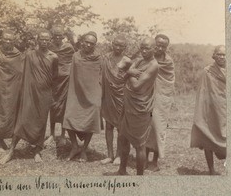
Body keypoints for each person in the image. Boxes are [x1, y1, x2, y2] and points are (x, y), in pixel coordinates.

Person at [0, 30, 58, 164]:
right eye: (41, 39)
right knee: (22, 120)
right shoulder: (30, 55)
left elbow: (55, 78)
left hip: (44, 95)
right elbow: (20, 71)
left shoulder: (54, 57)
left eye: (47, 39)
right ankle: (11, 151)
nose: (44, 41)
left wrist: (53, 96)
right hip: (30, 93)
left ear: (50, 40)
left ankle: (37, 151)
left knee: (41, 122)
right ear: (38, 40)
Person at [116, 38, 159, 175]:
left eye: (147, 48)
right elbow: (122, 78)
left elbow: (136, 85)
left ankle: (139, 176)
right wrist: (129, 72)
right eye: (142, 48)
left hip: (140, 107)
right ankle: (122, 170)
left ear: (155, 49)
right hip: (128, 105)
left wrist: (128, 71)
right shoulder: (139, 61)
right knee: (123, 138)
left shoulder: (153, 65)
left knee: (139, 145)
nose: (144, 51)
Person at [63, 31, 102, 162]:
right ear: (82, 42)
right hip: (76, 93)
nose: (89, 45)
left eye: (92, 44)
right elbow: (72, 75)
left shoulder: (98, 58)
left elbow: (102, 75)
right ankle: (74, 146)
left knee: (93, 114)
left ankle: (84, 150)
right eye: (87, 42)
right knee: (68, 116)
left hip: (93, 94)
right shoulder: (75, 56)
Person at [190, 45, 226, 175]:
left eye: (224, 54)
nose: (222, 57)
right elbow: (203, 92)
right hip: (211, 109)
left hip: (226, 109)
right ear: (214, 55)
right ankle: (211, 170)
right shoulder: (208, 71)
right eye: (219, 54)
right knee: (207, 137)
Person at [145, 34, 175, 171]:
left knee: (159, 127)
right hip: (146, 97)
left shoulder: (168, 62)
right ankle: (144, 159)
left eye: (163, 46)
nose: (160, 48)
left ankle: (155, 161)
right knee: (146, 126)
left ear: (166, 48)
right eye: (158, 44)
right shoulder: (146, 57)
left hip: (162, 100)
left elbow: (169, 82)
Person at [100, 34, 129, 165]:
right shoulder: (105, 58)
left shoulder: (128, 61)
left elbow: (131, 77)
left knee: (120, 127)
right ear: (112, 44)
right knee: (108, 125)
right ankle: (109, 155)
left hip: (121, 95)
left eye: (121, 45)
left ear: (125, 47)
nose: (118, 47)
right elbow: (100, 75)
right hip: (107, 95)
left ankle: (118, 155)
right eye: (116, 44)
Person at [45, 25, 75, 147]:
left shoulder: (68, 47)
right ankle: (52, 134)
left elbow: (73, 62)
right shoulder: (49, 47)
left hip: (65, 81)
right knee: (53, 106)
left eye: (60, 36)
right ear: (52, 37)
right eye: (55, 36)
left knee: (63, 106)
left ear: (63, 37)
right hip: (53, 81)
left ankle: (63, 134)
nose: (58, 38)